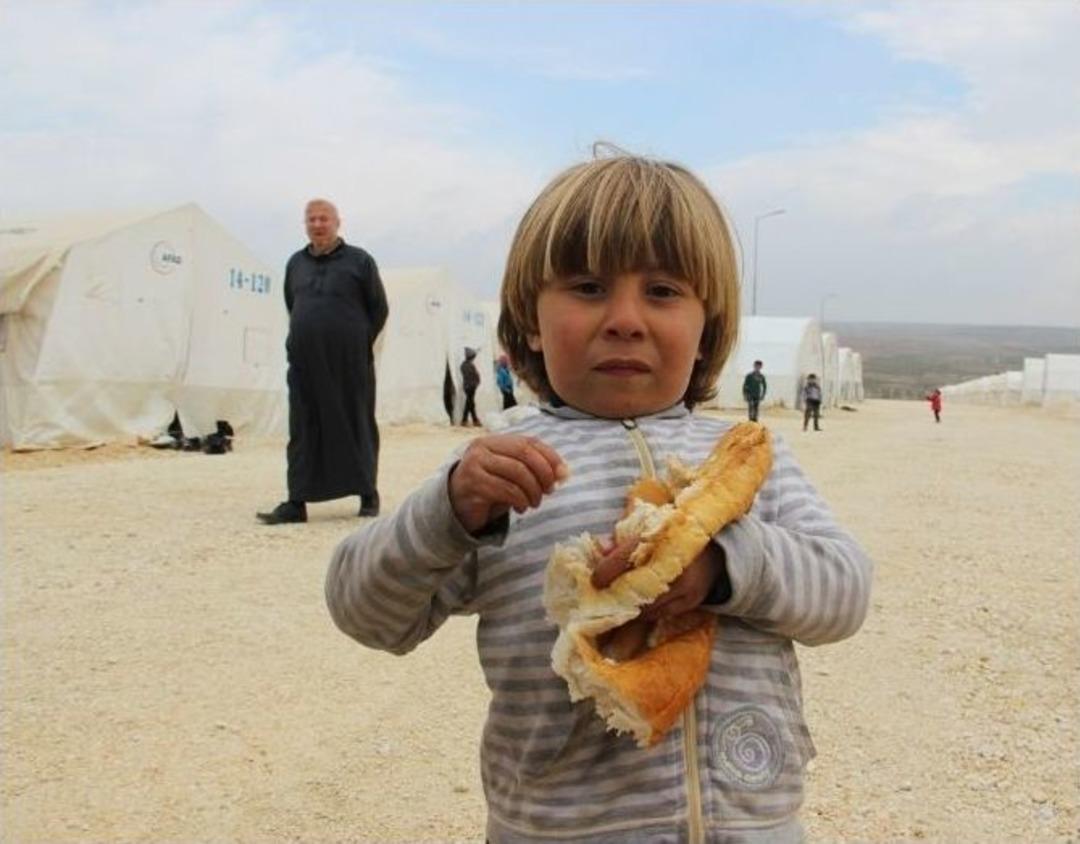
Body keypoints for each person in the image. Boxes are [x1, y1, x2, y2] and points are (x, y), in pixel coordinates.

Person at [325, 150, 872, 842]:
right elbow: (368, 615)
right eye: (587, 287)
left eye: (663, 291)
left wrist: (724, 564)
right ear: (529, 319)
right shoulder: (501, 473)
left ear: (707, 325)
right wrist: (447, 512)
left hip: (751, 825)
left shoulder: (744, 459)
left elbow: (845, 593)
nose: (625, 319)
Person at [257, 199, 388, 524]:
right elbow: (293, 304)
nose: (317, 224)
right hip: (305, 363)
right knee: (303, 426)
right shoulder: (295, 263)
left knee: (356, 420)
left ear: (337, 222)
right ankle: (296, 501)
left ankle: (367, 493)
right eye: (311, 219)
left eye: (323, 219)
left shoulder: (360, 261)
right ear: (305, 224)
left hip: (349, 363)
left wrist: (356, 341)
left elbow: (378, 308)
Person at [460, 347, 482, 427]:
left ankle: (475, 420)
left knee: (470, 403)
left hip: (467, 386)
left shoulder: (463, 365)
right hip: (471, 386)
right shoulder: (469, 365)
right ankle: (464, 420)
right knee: (469, 403)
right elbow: (473, 375)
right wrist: (477, 381)